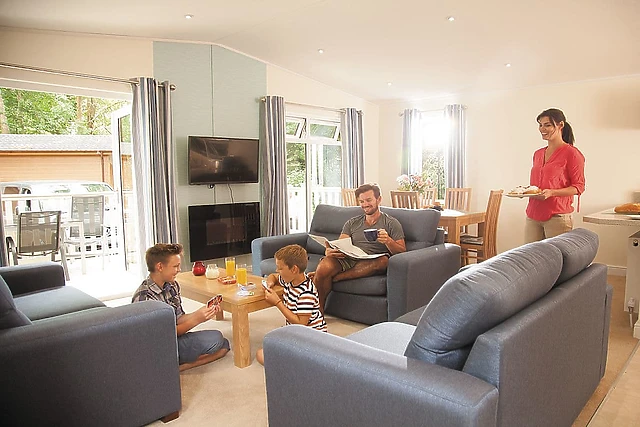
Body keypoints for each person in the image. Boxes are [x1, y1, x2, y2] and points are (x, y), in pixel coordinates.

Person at [132, 243, 230, 371]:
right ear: (160, 267)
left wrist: (201, 312)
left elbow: (179, 318)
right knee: (219, 342)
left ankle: (178, 365)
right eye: (175, 266)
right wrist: (197, 320)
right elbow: (164, 334)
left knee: (223, 343)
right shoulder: (144, 298)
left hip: (173, 339)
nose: (179, 270)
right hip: (155, 348)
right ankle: (171, 366)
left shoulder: (172, 285)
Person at [313, 183, 406, 312]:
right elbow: (340, 244)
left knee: (384, 261)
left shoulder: (391, 223)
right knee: (325, 266)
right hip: (350, 257)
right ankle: (317, 313)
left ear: (379, 199)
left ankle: (335, 277)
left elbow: (402, 251)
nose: (365, 204)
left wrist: (388, 241)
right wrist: (329, 251)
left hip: (373, 260)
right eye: (361, 201)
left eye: (369, 200)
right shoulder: (352, 222)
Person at [256, 244, 326, 365]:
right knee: (269, 342)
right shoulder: (290, 280)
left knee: (261, 354)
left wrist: (277, 302)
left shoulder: (306, 292)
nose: (277, 270)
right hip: (295, 333)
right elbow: (273, 276)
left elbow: (301, 324)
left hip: (311, 338)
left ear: (294, 269)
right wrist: (270, 283)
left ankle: (292, 365)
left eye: (280, 268)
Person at [524, 108, 585, 243]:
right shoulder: (538, 154)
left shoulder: (572, 153)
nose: (542, 129)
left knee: (556, 256)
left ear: (560, 125)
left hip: (557, 216)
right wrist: (527, 191)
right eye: (540, 125)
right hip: (533, 215)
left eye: (547, 125)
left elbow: (579, 187)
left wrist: (552, 192)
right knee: (528, 255)